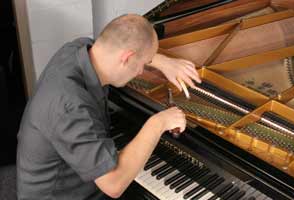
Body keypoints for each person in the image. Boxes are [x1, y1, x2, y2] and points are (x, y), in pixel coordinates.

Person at [17, 14, 201, 200]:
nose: (140, 72)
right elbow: (113, 185)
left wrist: (163, 61)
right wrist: (158, 123)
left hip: (79, 183)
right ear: (127, 57)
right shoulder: (69, 105)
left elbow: (117, 45)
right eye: (144, 64)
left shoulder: (79, 49)